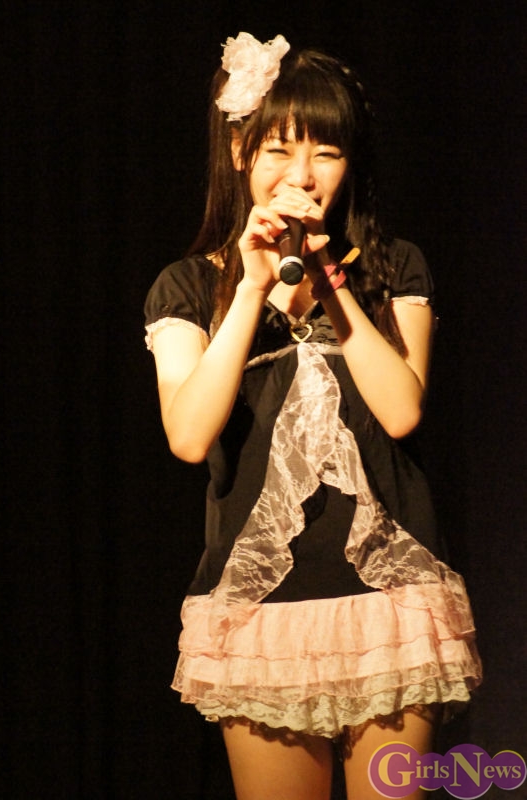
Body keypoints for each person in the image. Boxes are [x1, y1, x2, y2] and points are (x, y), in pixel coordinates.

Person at [144, 32, 482, 800]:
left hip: (391, 610)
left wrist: (331, 279)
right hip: (260, 617)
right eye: (279, 150)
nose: (302, 175)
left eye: (325, 153)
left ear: (349, 162)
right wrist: (252, 286)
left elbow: (401, 410)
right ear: (241, 152)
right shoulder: (187, 287)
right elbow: (188, 435)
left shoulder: (393, 268)